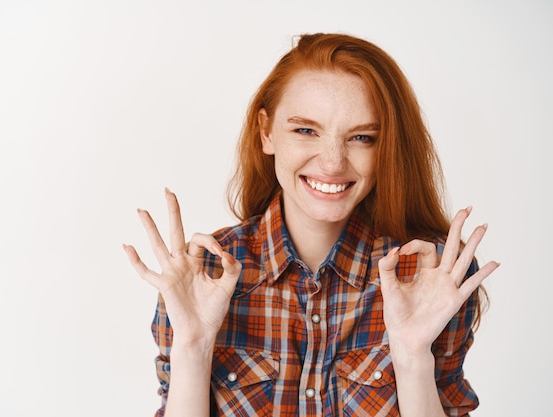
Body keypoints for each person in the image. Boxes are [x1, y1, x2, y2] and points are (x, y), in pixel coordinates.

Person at [123, 32, 499, 417]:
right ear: (266, 132)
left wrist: (413, 356)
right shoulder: (202, 273)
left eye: (362, 137)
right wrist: (192, 348)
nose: (333, 162)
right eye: (306, 130)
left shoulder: (430, 275)